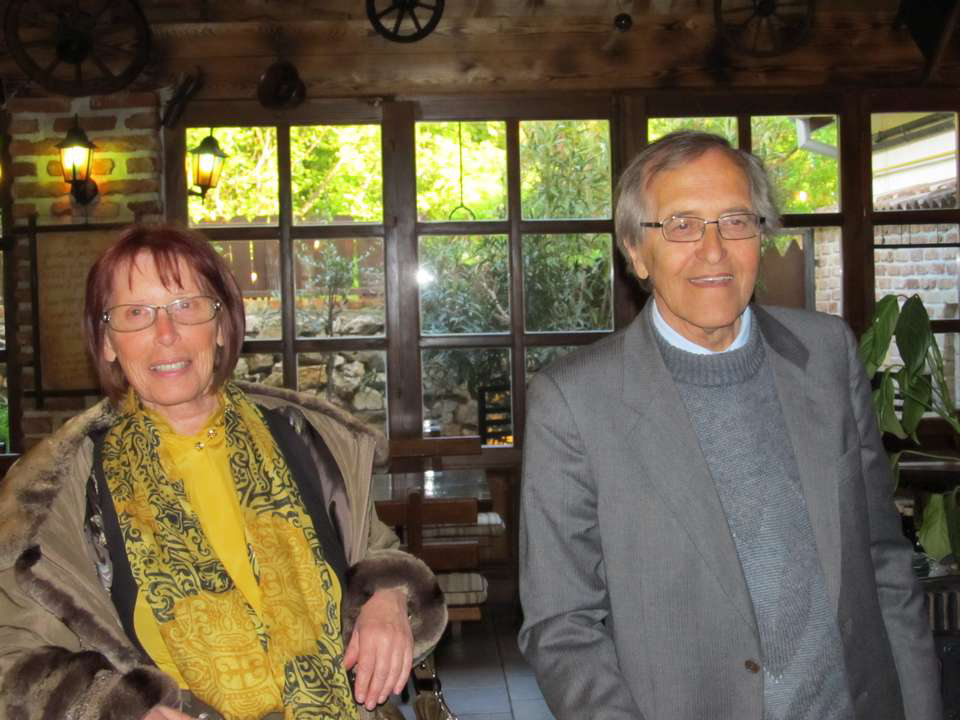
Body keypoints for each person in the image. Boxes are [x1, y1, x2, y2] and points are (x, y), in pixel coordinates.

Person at [518, 131, 941, 720]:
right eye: (682, 225)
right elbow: (562, 625)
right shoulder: (573, 402)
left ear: (760, 237)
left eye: (735, 221)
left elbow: (882, 561)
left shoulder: (826, 355)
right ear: (636, 252)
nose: (714, 250)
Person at [0, 225, 447, 720]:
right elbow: (15, 658)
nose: (165, 333)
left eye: (186, 306)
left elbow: (377, 551)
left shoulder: (305, 439)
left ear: (221, 325)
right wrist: (118, 709)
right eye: (136, 313)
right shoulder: (60, 490)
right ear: (107, 341)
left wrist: (390, 596)